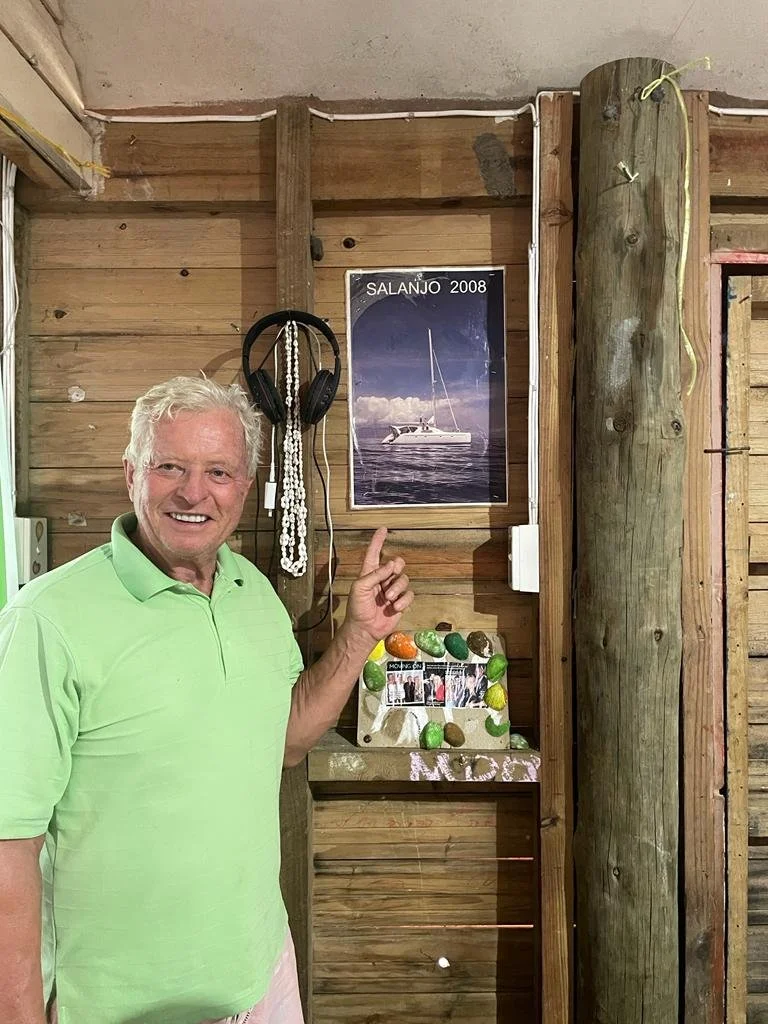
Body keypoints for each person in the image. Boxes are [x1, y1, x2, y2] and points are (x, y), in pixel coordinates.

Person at [0, 376, 413, 1024]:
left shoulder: (253, 592)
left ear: (244, 486)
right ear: (131, 474)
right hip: (120, 1006)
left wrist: (360, 635)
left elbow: (286, 740)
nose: (194, 492)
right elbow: (8, 843)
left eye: (217, 472)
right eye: (170, 467)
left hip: (259, 975)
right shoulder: (45, 620)